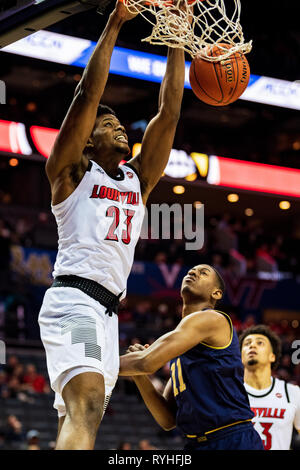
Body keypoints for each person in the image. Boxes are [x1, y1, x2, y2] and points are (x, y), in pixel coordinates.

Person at [38, 0, 186, 450]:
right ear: (88, 137)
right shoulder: (70, 172)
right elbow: (86, 93)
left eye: (121, 122)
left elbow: (170, 112)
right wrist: (117, 21)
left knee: (89, 413)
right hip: (75, 301)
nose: (120, 127)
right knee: (86, 403)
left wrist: (177, 37)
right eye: (109, 123)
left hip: (107, 313)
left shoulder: (137, 180)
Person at [119, 264, 264, 450]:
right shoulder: (181, 348)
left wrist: (95, 364)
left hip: (232, 438)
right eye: (190, 271)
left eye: (203, 273)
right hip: (195, 443)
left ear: (216, 294)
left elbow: (147, 361)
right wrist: (139, 376)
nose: (193, 272)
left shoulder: (213, 319)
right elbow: (168, 419)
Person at [239, 324, 300, 450]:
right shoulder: (230, 393)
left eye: (260, 343)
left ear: (272, 356)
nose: (252, 345)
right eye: (247, 343)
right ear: (240, 357)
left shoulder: (292, 393)